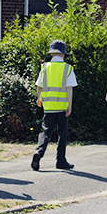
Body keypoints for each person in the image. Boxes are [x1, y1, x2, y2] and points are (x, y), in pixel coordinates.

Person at [31, 40, 76, 171]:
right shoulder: (67, 68)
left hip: (48, 106)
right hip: (62, 106)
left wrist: (39, 98)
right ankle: (60, 161)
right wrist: (69, 105)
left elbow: (39, 86)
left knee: (45, 132)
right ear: (63, 54)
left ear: (52, 54)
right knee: (62, 133)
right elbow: (69, 88)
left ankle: (38, 152)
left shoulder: (45, 67)